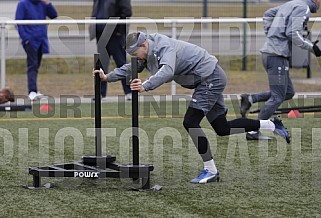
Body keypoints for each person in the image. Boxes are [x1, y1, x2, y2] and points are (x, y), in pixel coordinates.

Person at [93, 31, 291, 184]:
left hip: (210, 78)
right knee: (222, 128)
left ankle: (211, 171)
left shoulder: (164, 47)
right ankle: (271, 124)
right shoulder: (146, 50)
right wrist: (107, 77)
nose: (137, 58)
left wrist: (145, 86)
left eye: (137, 54)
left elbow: (168, 70)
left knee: (190, 122)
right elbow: (132, 67)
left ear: (144, 45)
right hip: (207, 79)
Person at [240, 0, 321, 140]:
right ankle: (253, 131)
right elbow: (292, 33)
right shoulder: (304, 8)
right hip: (276, 56)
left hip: (274, 54)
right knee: (277, 96)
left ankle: (251, 98)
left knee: (288, 92)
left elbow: (268, 14)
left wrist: (271, 34)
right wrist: (312, 47)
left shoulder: (293, 3)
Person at [15, 0, 58, 101]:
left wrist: (48, 4)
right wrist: (25, 39)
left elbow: (54, 15)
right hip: (30, 41)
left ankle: (34, 90)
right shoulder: (23, 4)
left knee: (36, 65)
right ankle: (32, 91)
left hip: (41, 40)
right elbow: (18, 23)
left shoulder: (42, 3)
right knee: (32, 65)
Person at [90, 0, 132, 100]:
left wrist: (118, 30)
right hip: (101, 34)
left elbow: (127, 12)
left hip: (115, 35)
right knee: (100, 64)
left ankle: (129, 92)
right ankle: (100, 93)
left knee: (121, 63)